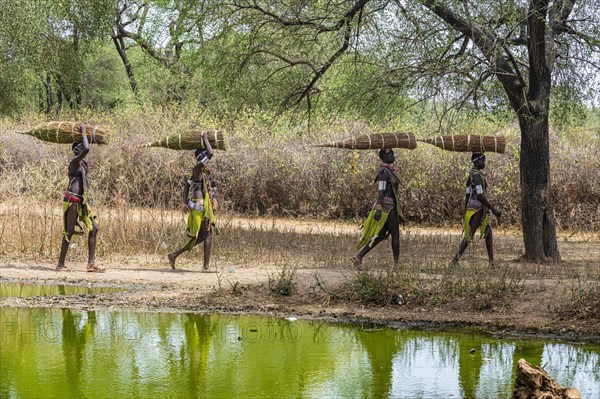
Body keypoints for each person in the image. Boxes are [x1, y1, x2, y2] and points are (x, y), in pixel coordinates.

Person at [167, 131, 219, 272]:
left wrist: (213, 197)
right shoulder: (197, 168)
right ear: (201, 158)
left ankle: (174, 254)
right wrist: (204, 137)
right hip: (200, 206)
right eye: (204, 157)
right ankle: (206, 267)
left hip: (201, 205)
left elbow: (187, 185)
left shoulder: (201, 171)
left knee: (203, 236)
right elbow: (211, 153)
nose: (208, 159)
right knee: (207, 234)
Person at [57, 123, 104, 272]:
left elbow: (86, 149)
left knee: (94, 228)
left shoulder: (82, 164)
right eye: (78, 148)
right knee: (69, 231)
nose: (81, 149)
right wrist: (84, 131)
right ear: (75, 151)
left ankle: (91, 264)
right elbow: (87, 148)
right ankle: (60, 264)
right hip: (72, 200)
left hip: (81, 202)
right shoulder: (73, 162)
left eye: (80, 147)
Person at [351, 148, 404, 269]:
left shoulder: (389, 171)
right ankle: (396, 266)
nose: (393, 155)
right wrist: (379, 209)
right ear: (384, 157)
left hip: (390, 207)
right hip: (387, 207)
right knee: (395, 234)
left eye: (393, 153)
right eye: (390, 154)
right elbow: (381, 192)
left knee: (380, 236)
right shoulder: (384, 172)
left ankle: (358, 257)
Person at [451, 152, 502, 268]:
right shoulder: (477, 176)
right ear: (477, 162)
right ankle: (454, 262)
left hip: (474, 207)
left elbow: (468, 193)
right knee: (469, 236)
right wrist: (494, 209)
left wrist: (465, 208)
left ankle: (491, 263)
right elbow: (480, 195)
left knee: (488, 233)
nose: (484, 163)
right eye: (483, 161)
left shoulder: (473, 175)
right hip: (477, 208)